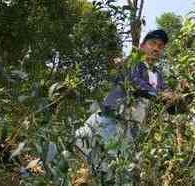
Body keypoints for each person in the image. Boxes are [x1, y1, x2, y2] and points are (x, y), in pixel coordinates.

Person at [74, 29, 178, 183]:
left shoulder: (159, 77)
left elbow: (171, 106)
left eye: (160, 46)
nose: (156, 48)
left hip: (129, 130)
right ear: (142, 46)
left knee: (111, 172)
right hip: (109, 119)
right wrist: (160, 95)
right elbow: (135, 83)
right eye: (152, 43)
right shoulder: (133, 61)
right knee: (76, 150)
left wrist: (180, 98)